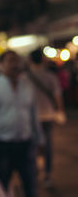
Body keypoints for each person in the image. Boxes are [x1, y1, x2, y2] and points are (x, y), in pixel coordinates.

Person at [0, 50, 44, 197]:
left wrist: (40, 140)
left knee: (30, 186)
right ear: (2, 64)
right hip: (2, 146)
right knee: (1, 187)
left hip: (25, 145)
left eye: (17, 61)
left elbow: (34, 116)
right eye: (10, 61)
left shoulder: (28, 86)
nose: (15, 65)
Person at [28, 49, 65, 187]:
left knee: (33, 145)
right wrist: (60, 111)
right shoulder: (50, 76)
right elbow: (57, 95)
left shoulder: (25, 77)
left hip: (31, 117)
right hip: (48, 115)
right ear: (42, 59)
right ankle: (47, 175)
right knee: (47, 145)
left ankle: (35, 170)